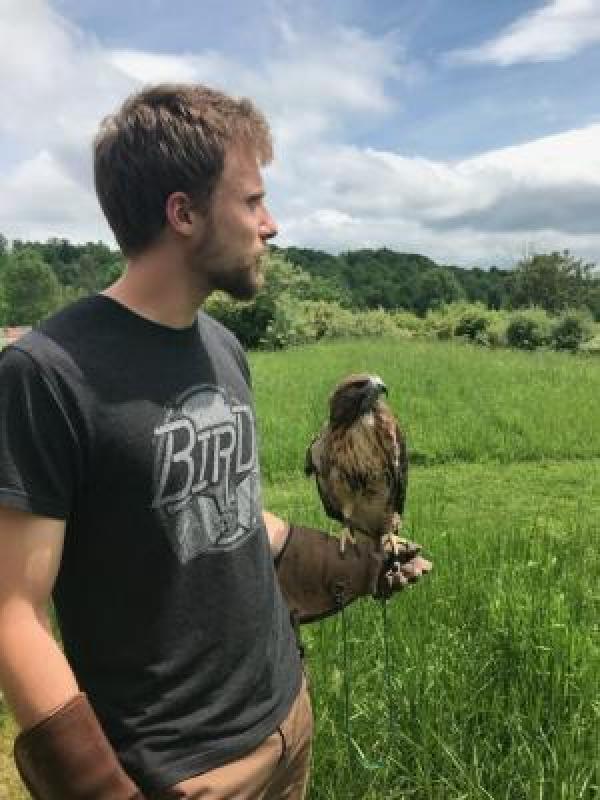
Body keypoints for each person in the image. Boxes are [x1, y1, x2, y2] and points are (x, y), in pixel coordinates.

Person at [0, 84, 431, 800]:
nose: (272, 224)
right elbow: (13, 608)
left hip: (286, 719)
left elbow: (223, 512)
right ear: (184, 213)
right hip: (182, 771)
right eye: (253, 200)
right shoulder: (46, 374)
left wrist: (347, 566)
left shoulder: (222, 347)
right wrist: (100, 789)